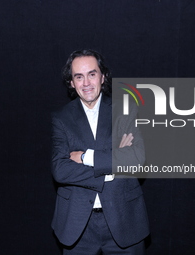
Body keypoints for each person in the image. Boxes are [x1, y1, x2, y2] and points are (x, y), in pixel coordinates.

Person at [51, 49, 149, 254]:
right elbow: (60, 169)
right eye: (79, 76)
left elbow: (137, 159)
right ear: (71, 82)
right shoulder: (61, 118)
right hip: (77, 226)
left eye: (92, 74)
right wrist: (112, 166)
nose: (86, 83)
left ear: (103, 76)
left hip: (124, 221)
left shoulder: (125, 108)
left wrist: (86, 157)